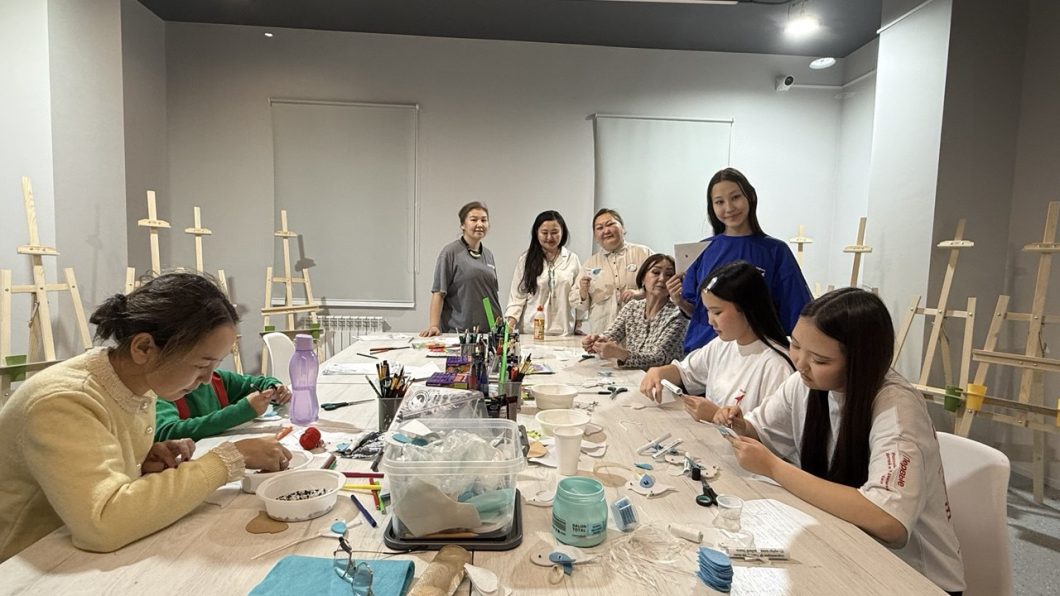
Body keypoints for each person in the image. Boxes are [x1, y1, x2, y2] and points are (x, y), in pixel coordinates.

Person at [0, 273, 292, 561]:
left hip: (78, 553)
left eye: (214, 366)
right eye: (201, 365)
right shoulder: (63, 401)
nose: (206, 379)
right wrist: (229, 459)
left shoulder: (139, 386)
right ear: (143, 348)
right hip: (27, 565)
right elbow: (104, 523)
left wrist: (136, 462)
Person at [714, 288, 965, 594]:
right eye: (796, 345)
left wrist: (774, 468)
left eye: (820, 360)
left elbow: (888, 519)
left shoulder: (897, 409)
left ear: (859, 362)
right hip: (843, 548)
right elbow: (761, 428)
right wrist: (742, 425)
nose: (800, 363)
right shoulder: (805, 383)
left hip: (914, 578)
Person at [669, 168, 811, 353]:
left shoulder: (776, 251)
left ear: (750, 197)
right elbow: (696, 312)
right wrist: (679, 301)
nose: (729, 208)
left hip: (754, 356)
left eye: (735, 197)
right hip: (702, 354)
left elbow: (796, 312)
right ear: (712, 207)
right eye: (719, 202)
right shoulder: (702, 250)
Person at [639, 261, 794, 423]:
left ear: (747, 309)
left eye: (717, 312)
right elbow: (686, 372)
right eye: (708, 311)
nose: (710, 321)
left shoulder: (776, 366)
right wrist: (659, 372)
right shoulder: (722, 344)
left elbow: (770, 432)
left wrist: (715, 415)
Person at [581, 254, 686, 369]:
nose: (662, 279)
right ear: (643, 278)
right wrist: (595, 342)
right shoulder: (632, 307)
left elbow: (659, 358)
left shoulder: (678, 315)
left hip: (661, 378)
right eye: (656, 272)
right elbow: (611, 335)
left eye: (669, 275)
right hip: (633, 374)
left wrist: (620, 353)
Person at [421, 201, 501, 336]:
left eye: (484, 220)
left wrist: (495, 326)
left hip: (489, 332)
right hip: (459, 332)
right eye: (474, 220)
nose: (480, 224)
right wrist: (434, 325)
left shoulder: (488, 254)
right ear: (463, 225)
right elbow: (439, 292)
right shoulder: (450, 253)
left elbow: (488, 295)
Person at [573, 208, 653, 334]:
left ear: (623, 228)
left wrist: (640, 293)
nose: (606, 231)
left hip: (639, 333)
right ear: (595, 237)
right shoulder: (590, 263)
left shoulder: (643, 253)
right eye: (599, 228)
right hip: (603, 334)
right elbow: (579, 305)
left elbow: (661, 288)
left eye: (610, 224)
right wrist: (583, 292)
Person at [154, 370, 292, 441]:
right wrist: (241, 411)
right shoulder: (160, 391)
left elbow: (258, 382)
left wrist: (274, 388)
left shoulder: (217, 379)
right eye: (201, 365)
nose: (207, 377)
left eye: (216, 362)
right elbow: (168, 432)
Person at [504, 210, 582, 336]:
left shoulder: (572, 259)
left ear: (563, 232)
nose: (549, 237)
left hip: (563, 333)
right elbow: (517, 297)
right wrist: (508, 328)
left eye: (555, 232)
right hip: (531, 332)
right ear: (537, 233)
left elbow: (579, 296)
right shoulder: (526, 260)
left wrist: (578, 324)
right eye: (544, 233)